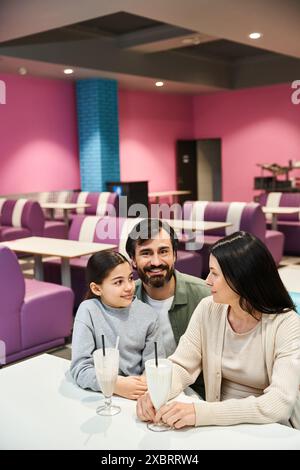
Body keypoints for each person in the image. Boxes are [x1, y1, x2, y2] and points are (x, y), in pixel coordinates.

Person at [136, 231, 300, 429]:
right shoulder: (209, 308)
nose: (207, 281)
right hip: (220, 427)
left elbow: (278, 403)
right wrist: (156, 392)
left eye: (214, 273)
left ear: (240, 278)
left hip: (272, 429)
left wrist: (202, 413)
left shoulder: (287, 324)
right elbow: (182, 366)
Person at [126, 218, 210, 398]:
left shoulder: (205, 296)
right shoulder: (125, 300)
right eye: (146, 253)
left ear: (175, 255)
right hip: (143, 391)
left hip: (196, 393)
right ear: (133, 260)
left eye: (163, 251)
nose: (156, 262)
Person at [70, 250, 165, 400]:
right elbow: (80, 369)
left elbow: (155, 366)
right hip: (100, 395)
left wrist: (143, 385)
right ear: (96, 288)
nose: (129, 287)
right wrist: (116, 385)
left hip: (138, 395)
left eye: (130, 278)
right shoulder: (88, 311)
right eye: (118, 282)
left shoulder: (148, 316)